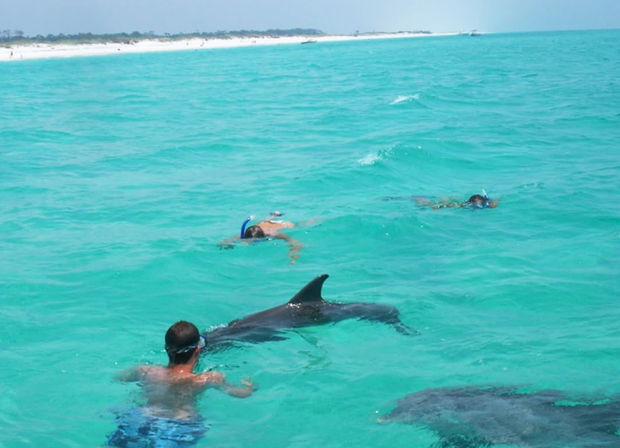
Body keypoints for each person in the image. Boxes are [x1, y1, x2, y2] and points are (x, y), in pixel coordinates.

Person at [107, 321, 256, 447]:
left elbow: (118, 378)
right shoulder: (208, 378)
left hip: (140, 418)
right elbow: (240, 393)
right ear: (197, 350)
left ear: (166, 349)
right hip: (177, 425)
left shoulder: (146, 371)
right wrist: (249, 386)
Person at [218, 211, 304, 264]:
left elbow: (298, 243)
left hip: (285, 224)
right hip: (263, 223)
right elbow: (224, 242)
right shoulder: (245, 234)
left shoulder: (273, 234)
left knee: (298, 225)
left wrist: (293, 257)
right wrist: (227, 246)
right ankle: (274, 214)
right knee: (260, 222)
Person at [412, 190, 499, 209]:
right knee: (434, 203)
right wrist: (439, 206)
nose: (477, 204)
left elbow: (495, 202)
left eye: (477, 202)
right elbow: (453, 205)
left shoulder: (486, 203)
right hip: (459, 203)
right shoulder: (468, 204)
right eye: (475, 203)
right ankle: (420, 199)